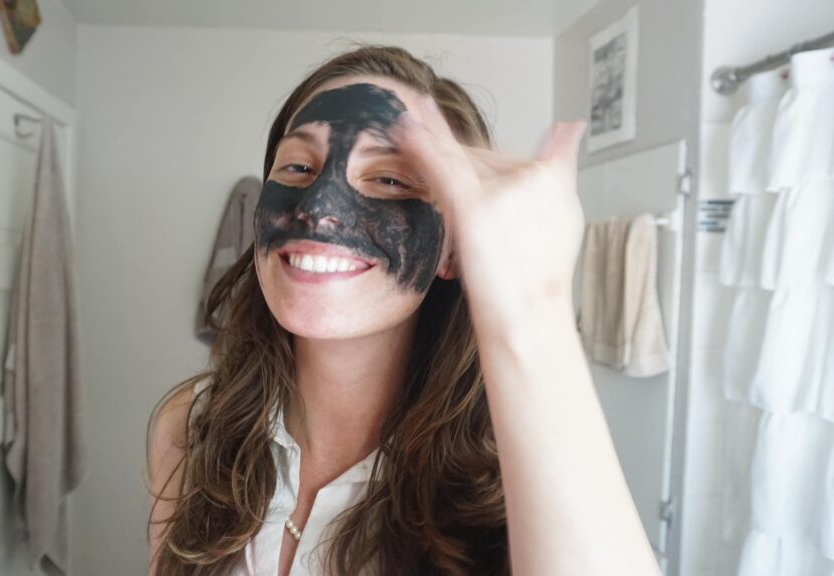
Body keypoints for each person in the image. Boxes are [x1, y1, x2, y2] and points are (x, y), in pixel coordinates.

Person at [146, 44, 660, 576]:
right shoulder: (189, 429)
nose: (318, 208)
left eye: (390, 179)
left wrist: (535, 303)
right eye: (298, 167)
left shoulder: (512, 486)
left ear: (452, 248)